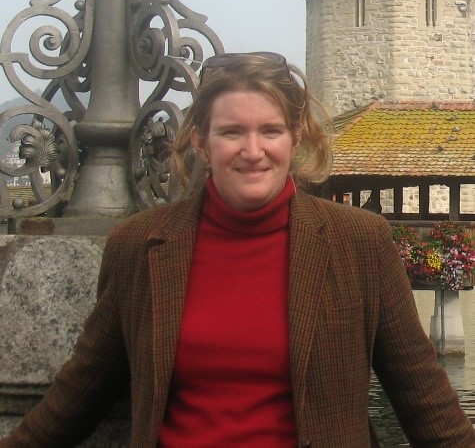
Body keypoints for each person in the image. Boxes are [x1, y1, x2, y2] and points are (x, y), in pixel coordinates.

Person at [1, 52, 474, 448]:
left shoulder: (359, 242)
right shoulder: (140, 245)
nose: (253, 150)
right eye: (231, 132)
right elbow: (79, 394)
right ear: (201, 142)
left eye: (270, 130)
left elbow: (424, 400)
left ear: (295, 139)